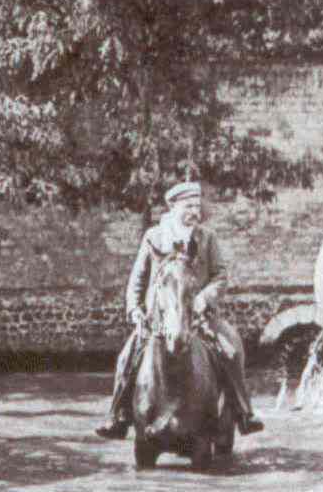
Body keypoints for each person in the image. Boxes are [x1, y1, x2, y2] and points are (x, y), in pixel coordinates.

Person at [95, 179, 264, 440]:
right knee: (126, 356)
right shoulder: (154, 237)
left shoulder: (207, 237)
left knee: (229, 353)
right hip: (159, 320)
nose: (194, 212)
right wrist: (135, 311)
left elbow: (221, 276)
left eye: (197, 206)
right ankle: (118, 415)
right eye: (188, 206)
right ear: (173, 206)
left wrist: (204, 298)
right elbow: (137, 281)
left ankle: (243, 412)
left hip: (199, 317)